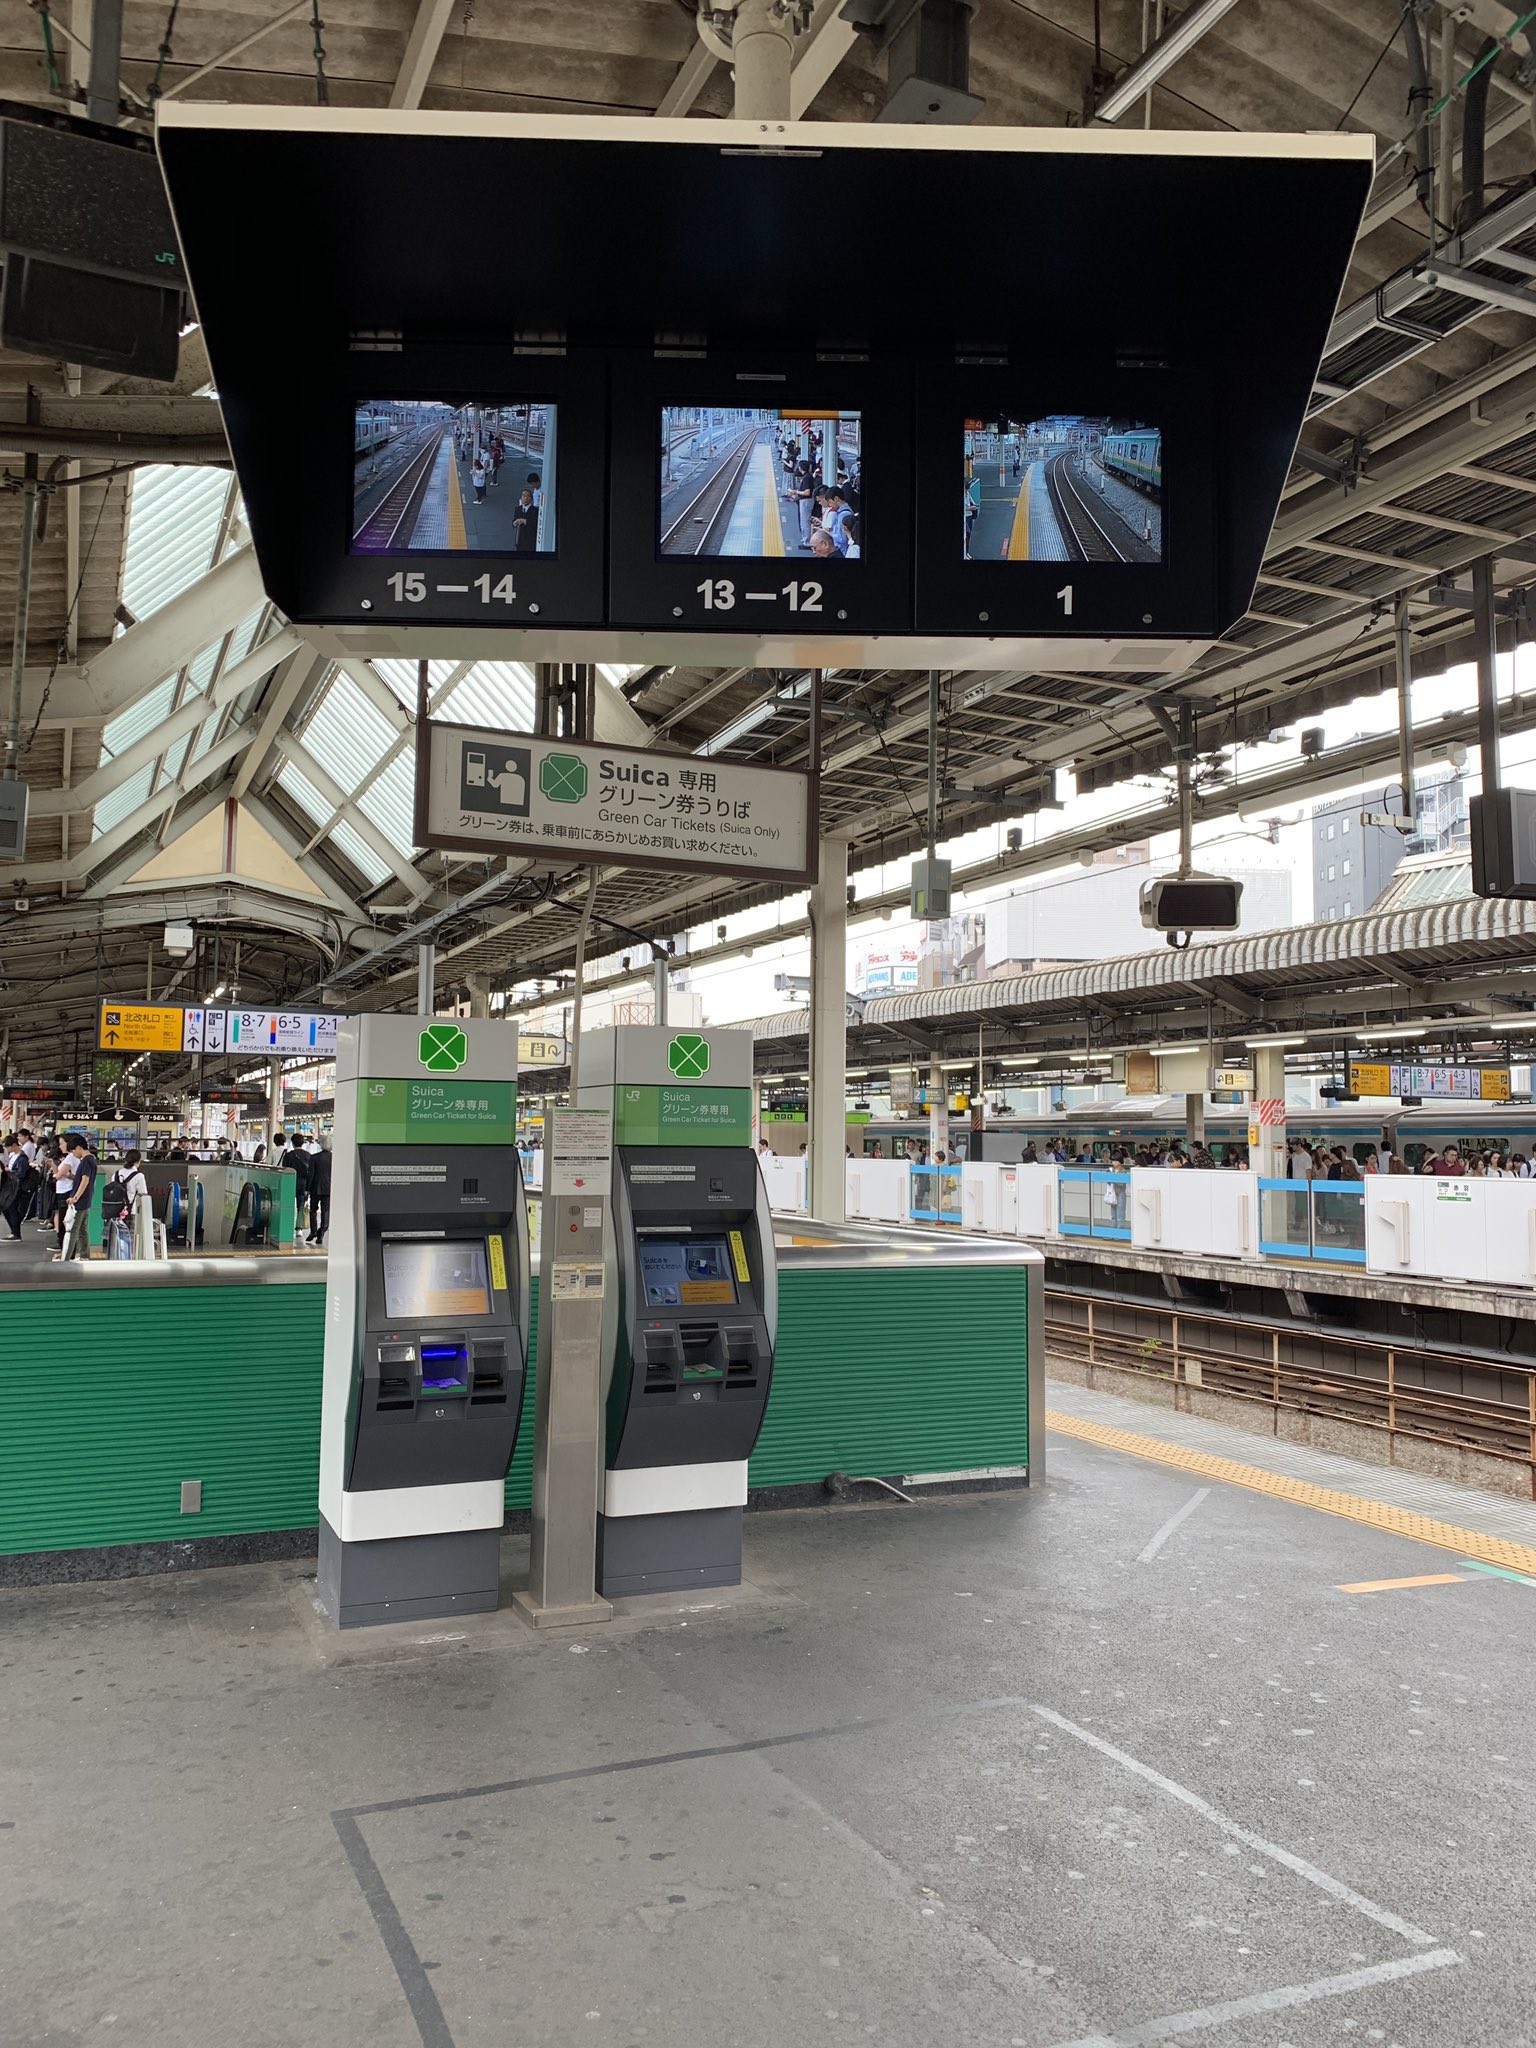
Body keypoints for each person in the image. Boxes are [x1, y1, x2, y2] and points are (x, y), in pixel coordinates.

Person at [101, 1149, 148, 1260]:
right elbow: (143, 1194)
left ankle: (114, 1257)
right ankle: (127, 1259)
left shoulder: (116, 1174)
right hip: (130, 1211)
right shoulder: (139, 1176)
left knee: (115, 1236)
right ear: (138, 1161)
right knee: (129, 1237)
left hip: (114, 1210)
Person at [56, 1137, 98, 1261]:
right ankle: (85, 1256)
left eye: (73, 1151)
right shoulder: (92, 1159)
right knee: (82, 1229)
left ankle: (66, 1258)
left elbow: (85, 1180)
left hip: (80, 1200)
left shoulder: (85, 1161)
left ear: (79, 1148)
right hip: (86, 1199)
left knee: (72, 1229)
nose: (73, 1154)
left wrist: (75, 1197)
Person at [307, 1139, 332, 1246]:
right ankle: (321, 1233)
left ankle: (313, 1231)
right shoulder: (334, 1158)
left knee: (313, 1210)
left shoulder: (314, 1157)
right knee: (325, 1211)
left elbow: (310, 1175)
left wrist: (307, 1189)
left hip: (315, 1188)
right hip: (328, 1188)